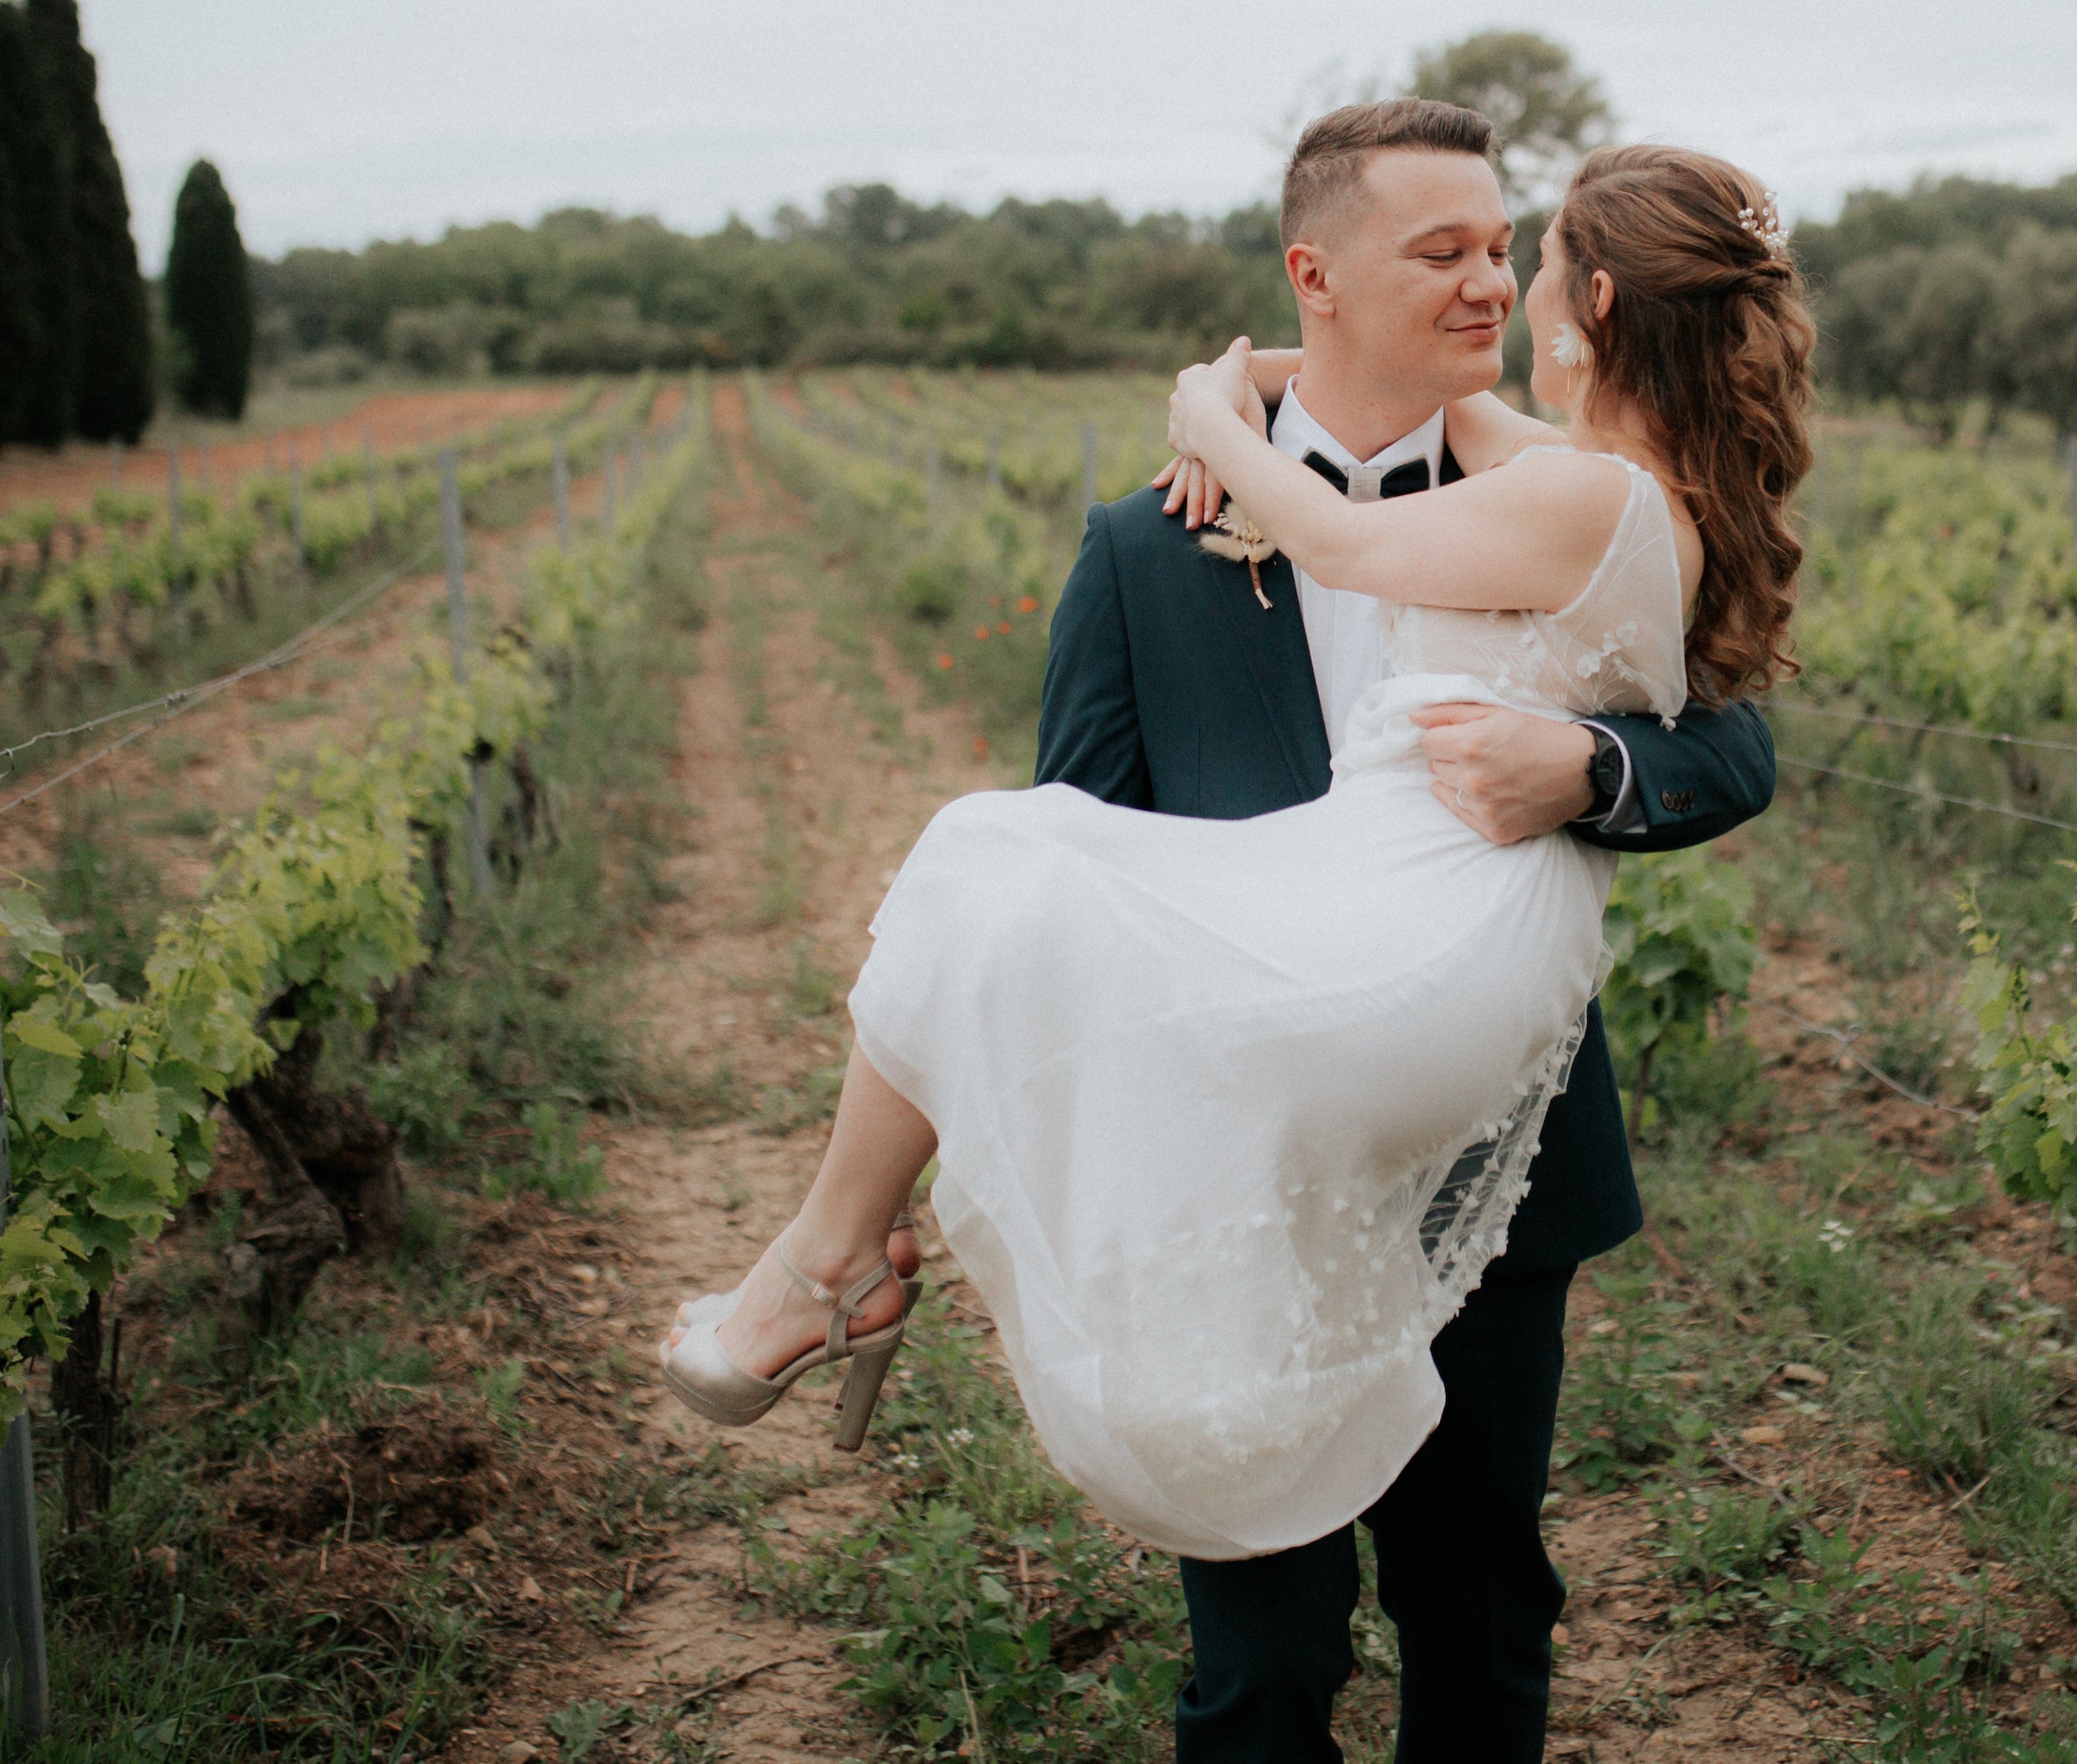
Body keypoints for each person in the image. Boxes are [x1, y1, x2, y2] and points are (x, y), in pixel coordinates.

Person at [658, 99, 1812, 1761]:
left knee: (1480, 1614)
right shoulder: (1147, 546)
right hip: (1243, 1162)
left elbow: (1738, 736)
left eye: (1508, 249)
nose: (1491, 283)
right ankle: (832, 1255)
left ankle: (829, 1252)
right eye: (1445, 253)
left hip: (1475, 1116)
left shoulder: (1564, 485)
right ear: (1314, 275)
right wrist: (1252, 398)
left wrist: (1599, 763)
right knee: (1264, 1663)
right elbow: (1101, 847)